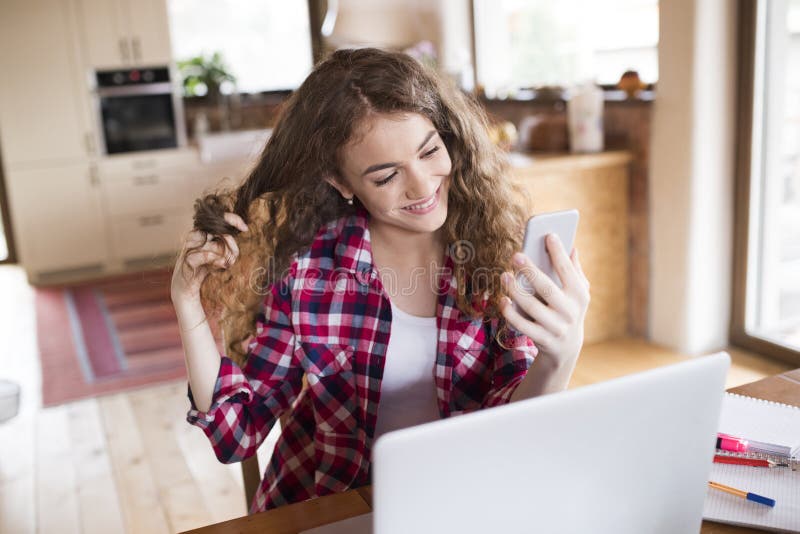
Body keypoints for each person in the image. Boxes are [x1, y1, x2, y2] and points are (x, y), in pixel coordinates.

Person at [171, 47, 590, 513]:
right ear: (342, 182)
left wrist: (560, 354)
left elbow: (513, 433)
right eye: (387, 176)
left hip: (463, 498)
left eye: (430, 150)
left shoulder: (498, 255)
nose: (423, 186)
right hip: (338, 506)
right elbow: (238, 432)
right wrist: (188, 304)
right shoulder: (308, 274)